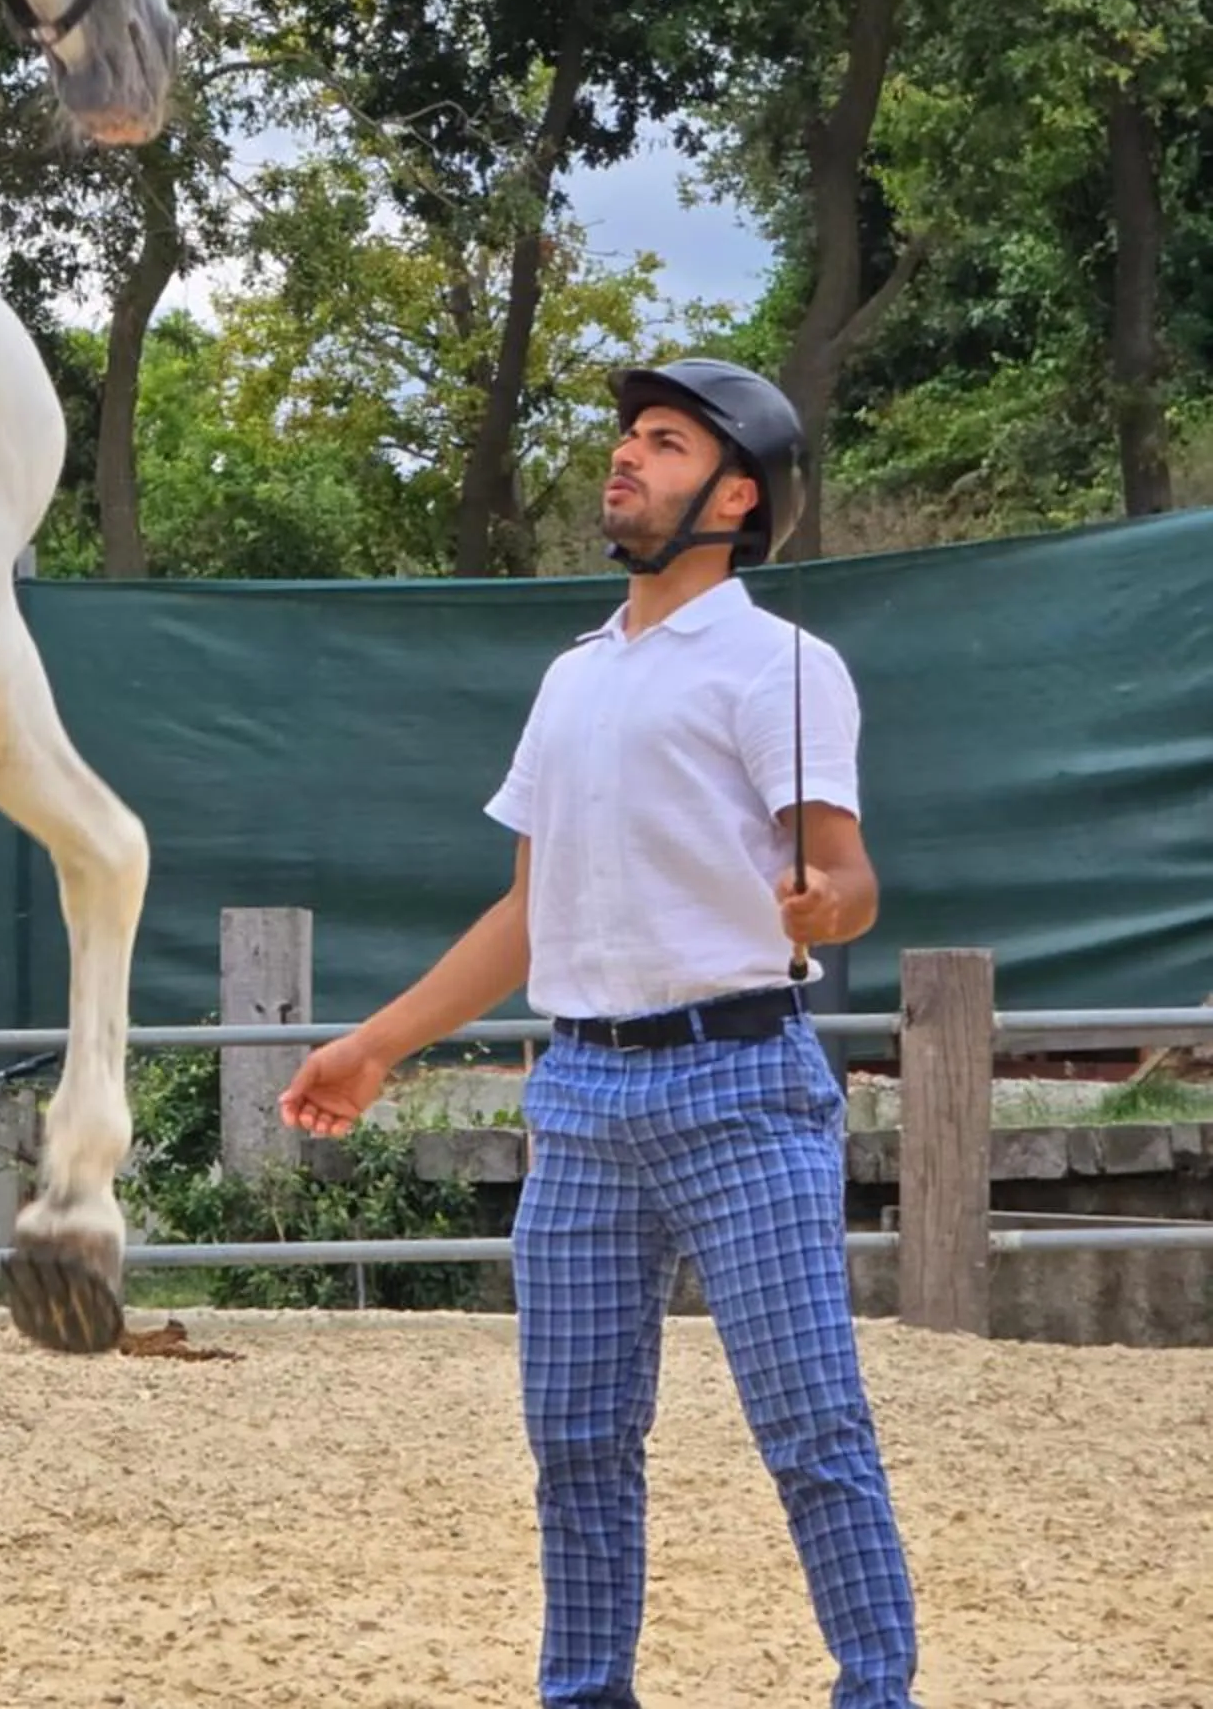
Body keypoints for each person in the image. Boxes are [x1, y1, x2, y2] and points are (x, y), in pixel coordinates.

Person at [281, 358, 918, 1709]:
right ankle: (583, 1693)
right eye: (628, 436)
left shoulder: (779, 665)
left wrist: (829, 901)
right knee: (572, 1441)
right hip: (576, 1095)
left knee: (810, 1424)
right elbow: (527, 914)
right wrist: (377, 1045)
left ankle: (877, 1691)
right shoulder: (571, 678)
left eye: (666, 442)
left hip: (742, 1087)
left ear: (736, 496)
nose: (625, 455)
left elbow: (847, 873)